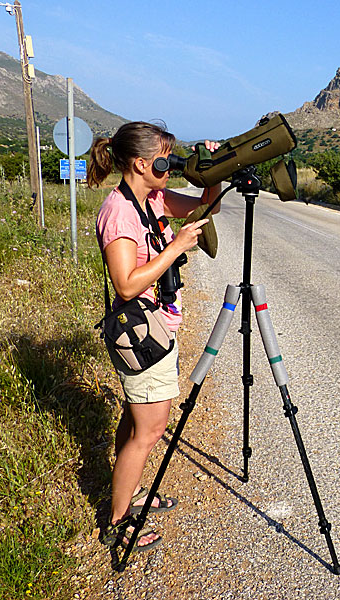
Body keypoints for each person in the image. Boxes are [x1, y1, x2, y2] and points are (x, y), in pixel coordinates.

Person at [88, 121, 221, 552]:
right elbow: (126, 285)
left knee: (136, 422)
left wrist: (215, 170)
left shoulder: (154, 198)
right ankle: (117, 520)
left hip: (158, 327)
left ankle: (125, 495)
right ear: (141, 163)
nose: (171, 168)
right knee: (150, 429)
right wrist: (176, 248)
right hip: (141, 334)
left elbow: (208, 206)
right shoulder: (119, 213)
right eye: (165, 161)